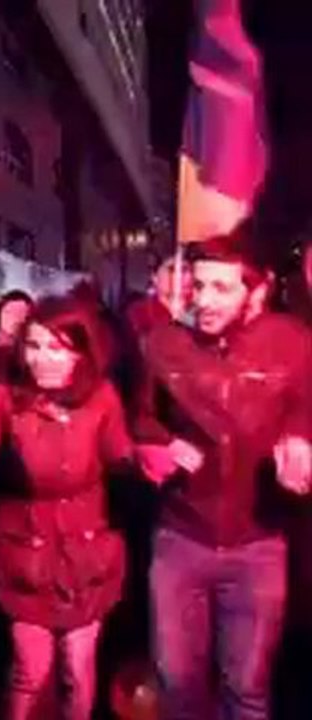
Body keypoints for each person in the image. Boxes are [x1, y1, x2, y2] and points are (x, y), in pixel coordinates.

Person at [133, 226, 312, 720]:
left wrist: (300, 439)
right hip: (181, 540)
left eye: (221, 288)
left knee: (248, 689)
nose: (205, 301)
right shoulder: (162, 344)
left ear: (256, 290)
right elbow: (141, 419)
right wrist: (158, 445)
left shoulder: (294, 343)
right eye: (198, 285)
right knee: (178, 686)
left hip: (258, 544)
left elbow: (306, 408)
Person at [0, 296, 146, 720]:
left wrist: (138, 469)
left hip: (86, 554)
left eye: (56, 347)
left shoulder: (101, 397)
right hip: (24, 554)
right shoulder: (2, 397)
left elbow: (119, 460)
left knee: (78, 670)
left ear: (81, 352)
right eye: (33, 346)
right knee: (31, 671)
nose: (42, 358)